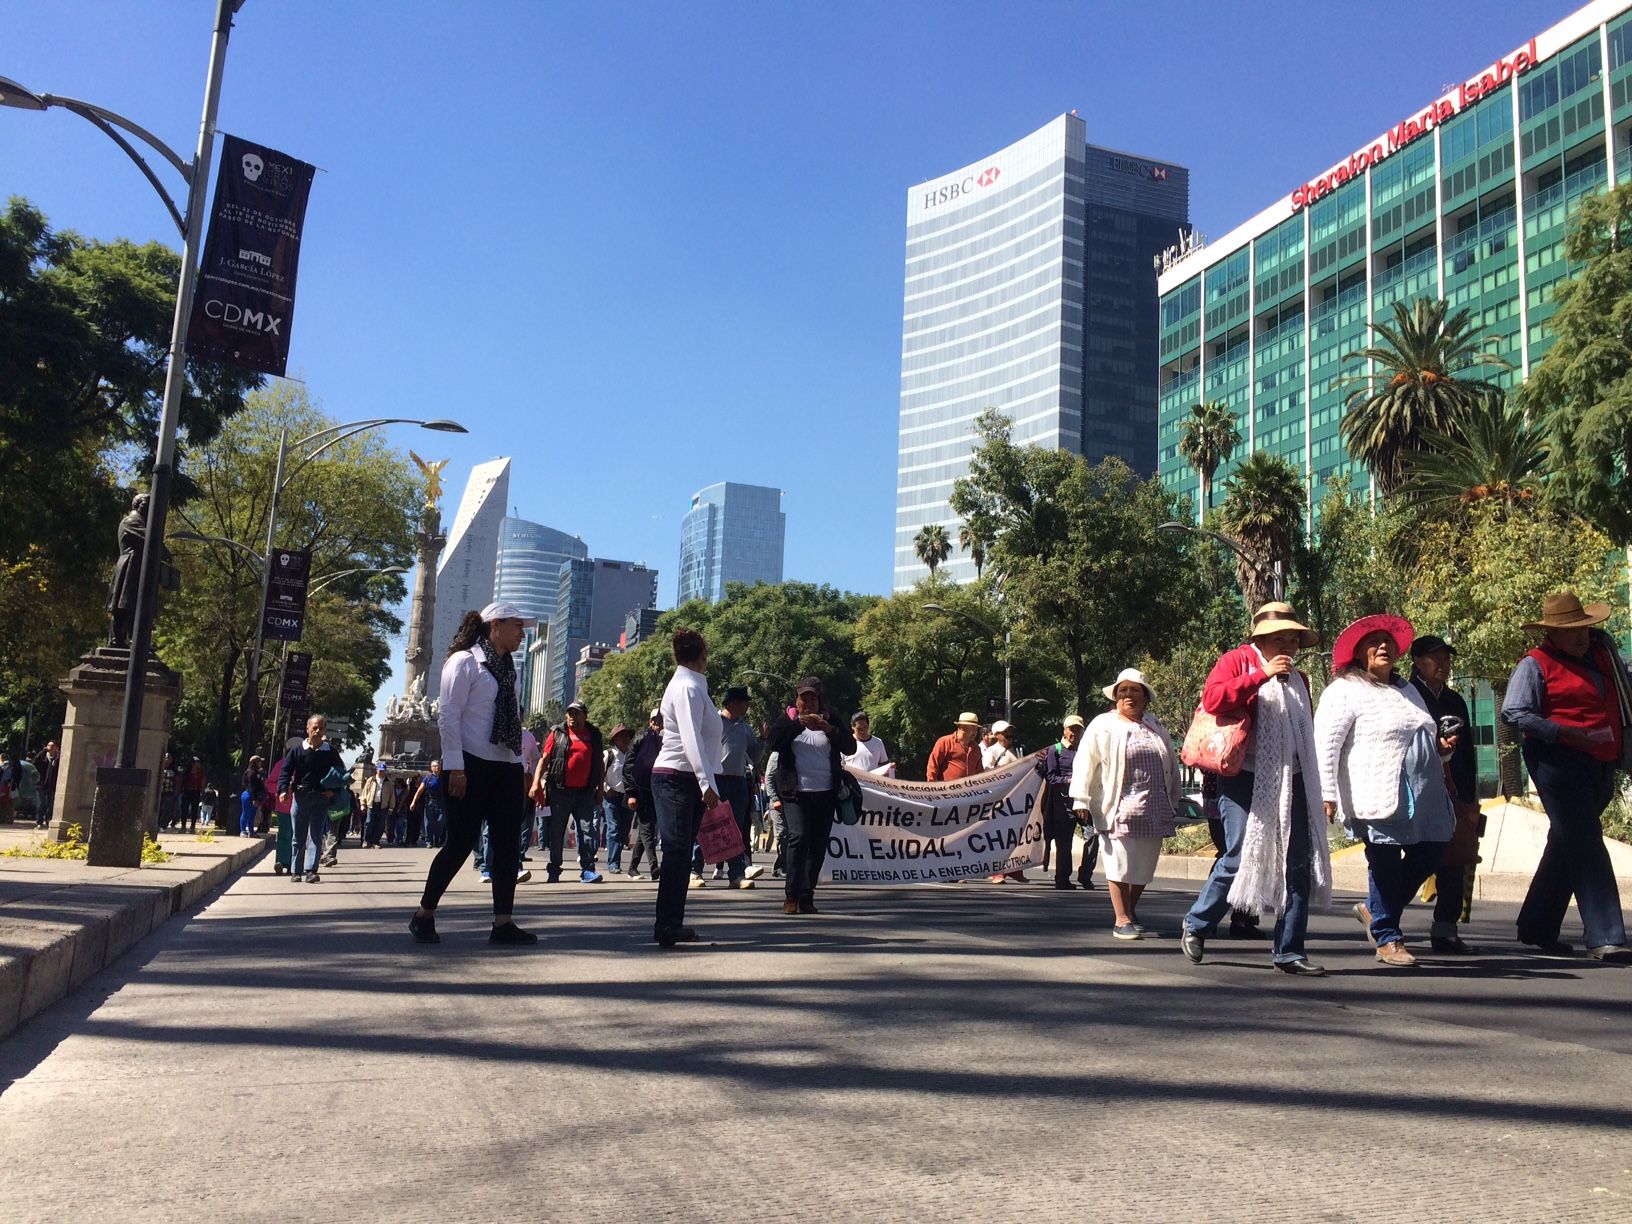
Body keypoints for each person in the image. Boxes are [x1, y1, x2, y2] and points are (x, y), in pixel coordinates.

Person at [1179, 602, 1332, 976]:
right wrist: (1260, 675)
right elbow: (1213, 700)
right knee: (1239, 854)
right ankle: (1198, 922)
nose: (1288, 646)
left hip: (1292, 778)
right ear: (1260, 639)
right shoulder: (1236, 662)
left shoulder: (1300, 680)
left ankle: (1290, 951)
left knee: (1296, 863)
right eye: (1279, 638)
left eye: (1293, 639)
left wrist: (1321, 789)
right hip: (1243, 776)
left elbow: (1304, 735)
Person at [1316, 615, 1454, 968]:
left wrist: (1441, 748)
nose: (1383, 647)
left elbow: (1418, 735)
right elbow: (1326, 745)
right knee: (1386, 863)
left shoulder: (1407, 690)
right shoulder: (1344, 690)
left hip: (1423, 793)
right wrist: (1326, 793)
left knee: (1433, 852)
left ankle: (1373, 910)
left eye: (1388, 642)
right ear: (1359, 652)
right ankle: (1388, 938)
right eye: (1374, 642)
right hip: (1376, 791)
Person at [1502, 593, 1632, 963]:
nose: (1581, 637)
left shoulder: (1605, 660)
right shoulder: (1534, 665)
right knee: (1587, 844)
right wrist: (1563, 732)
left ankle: (1536, 926)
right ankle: (1605, 936)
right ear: (1552, 635)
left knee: (1566, 843)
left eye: (1584, 629)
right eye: (1571, 632)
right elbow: (1515, 713)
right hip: (1556, 763)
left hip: (1601, 762)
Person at [411, 601, 536, 945]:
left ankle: (503, 922)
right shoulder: (464, 662)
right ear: (495, 626)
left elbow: (513, 719)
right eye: (517, 626)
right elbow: (449, 716)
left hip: (506, 765)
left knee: (508, 846)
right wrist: (455, 767)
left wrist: (520, 768)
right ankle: (424, 914)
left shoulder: (509, 668)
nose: (522, 633)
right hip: (470, 764)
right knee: (460, 844)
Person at [1070, 669, 1181, 938]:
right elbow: (1085, 761)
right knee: (1118, 862)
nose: (1128, 695)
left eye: (1134, 690)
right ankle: (1121, 920)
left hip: (1153, 806)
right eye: (1123, 691)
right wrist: (1081, 798)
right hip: (1118, 805)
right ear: (1116, 697)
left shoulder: (1155, 726)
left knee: (1143, 866)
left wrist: (1174, 798)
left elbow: (1172, 764)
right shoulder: (1103, 725)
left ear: (1145, 696)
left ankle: (1130, 911)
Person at [1407, 635, 1481, 954]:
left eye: (1446, 658)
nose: (1443, 664)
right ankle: (1382, 920)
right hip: (1415, 793)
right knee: (1419, 859)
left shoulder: (1455, 702)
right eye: (1435, 658)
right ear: (1417, 662)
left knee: (1453, 860)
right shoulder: (1406, 697)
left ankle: (1445, 932)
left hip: (1453, 796)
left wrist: (1469, 798)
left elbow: (1467, 755)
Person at [650, 630, 722, 946]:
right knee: (678, 850)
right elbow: (692, 738)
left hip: (686, 777)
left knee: (680, 852)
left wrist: (707, 781)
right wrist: (707, 784)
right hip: (676, 775)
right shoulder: (688, 687)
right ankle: (666, 924)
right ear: (702, 655)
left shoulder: (693, 686)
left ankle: (671, 922)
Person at [767, 676, 857, 916]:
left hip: (825, 793)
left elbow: (850, 747)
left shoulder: (831, 721)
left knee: (818, 845)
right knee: (799, 837)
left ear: (820, 701)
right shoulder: (787, 720)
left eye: (812, 699)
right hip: (795, 793)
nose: (807, 703)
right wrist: (799, 724)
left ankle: (807, 896)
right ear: (796, 700)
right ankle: (791, 896)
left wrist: (828, 729)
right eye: (803, 698)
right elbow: (774, 743)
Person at [534, 700, 607, 883]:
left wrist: (600, 788)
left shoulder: (594, 735)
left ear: (585, 715)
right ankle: (554, 870)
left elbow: (599, 764)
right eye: (570, 713)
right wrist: (536, 783)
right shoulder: (558, 733)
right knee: (557, 832)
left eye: (576, 713)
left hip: (585, 793)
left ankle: (588, 869)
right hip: (560, 791)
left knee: (587, 830)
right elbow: (544, 760)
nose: (572, 717)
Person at [277, 715, 346, 884]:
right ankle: (296, 871)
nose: (317, 730)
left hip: (320, 799)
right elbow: (285, 771)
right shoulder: (297, 750)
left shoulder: (330, 752)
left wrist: (333, 791)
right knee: (298, 837)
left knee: (315, 835)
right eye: (314, 727)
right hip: (300, 797)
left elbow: (341, 773)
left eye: (321, 728)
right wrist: (283, 790)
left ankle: (311, 871)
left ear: (325, 731)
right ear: (307, 729)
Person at [713, 686, 765, 889]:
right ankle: (695, 870)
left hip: (738, 781)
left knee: (735, 830)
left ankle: (736, 874)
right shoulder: (714, 723)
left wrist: (763, 739)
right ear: (733, 703)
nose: (747, 706)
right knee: (709, 824)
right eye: (744, 702)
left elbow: (754, 757)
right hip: (715, 779)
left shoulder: (745, 728)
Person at [1041, 714, 1086, 890]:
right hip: (1063, 802)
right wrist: (1070, 780)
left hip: (1084, 800)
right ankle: (1062, 878)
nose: (1075, 732)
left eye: (1078, 729)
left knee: (1093, 835)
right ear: (1065, 731)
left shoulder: (1085, 750)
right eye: (1072, 729)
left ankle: (1085, 875)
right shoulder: (1055, 750)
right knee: (1064, 840)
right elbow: (1051, 777)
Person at [625, 709, 664, 881]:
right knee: (648, 828)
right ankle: (653, 866)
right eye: (655, 720)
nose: (658, 723)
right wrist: (631, 793)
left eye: (661, 720)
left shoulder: (666, 741)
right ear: (649, 722)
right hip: (641, 792)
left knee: (645, 830)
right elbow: (628, 768)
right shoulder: (640, 740)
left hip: (658, 791)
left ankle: (632, 867)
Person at [603, 725, 633, 872]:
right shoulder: (608, 755)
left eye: (627, 736)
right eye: (622, 736)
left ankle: (617, 859)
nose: (625, 739)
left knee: (623, 830)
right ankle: (613, 863)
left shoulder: (632, 755)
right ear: (615, 739)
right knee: (613, 828)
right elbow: (599, 776)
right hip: (611, 797)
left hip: (627, 797)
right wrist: (606, 790)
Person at [926, 713, 984, 781]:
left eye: (976, 728)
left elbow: (980, 772)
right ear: (961, 727)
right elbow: (933, 766)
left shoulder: (976, 748)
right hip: (948, 790)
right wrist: (932, 787)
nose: (975, 732)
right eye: (972, 727)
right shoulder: (945, 742)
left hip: (970, 790)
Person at [842, 711, 893, 777]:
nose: (863, 731)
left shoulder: (877, 742)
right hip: (853, 785)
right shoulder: (846, 742)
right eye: (859, 729)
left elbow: (884, 766)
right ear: (853, 727)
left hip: (873, 785)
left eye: (865, 727)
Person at [361, 765, 391, 848]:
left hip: (383, 806)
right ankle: (366, 841)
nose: (381, 772)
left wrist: (391, 807)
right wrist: (363, 804)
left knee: (380, 825)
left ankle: (375, 842)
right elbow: (365, 792)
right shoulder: (371, 780)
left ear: (385, 771)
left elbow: (392, 796)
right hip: (371, 805)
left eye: (383, 771)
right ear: (377, 771)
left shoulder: (388, 782)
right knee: (369, 823)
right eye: (379, 770)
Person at [32, 740, 59, 828]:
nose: (49, 747)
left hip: (52, 785)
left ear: (56, 748)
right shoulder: (43, 757)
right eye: (48, 745)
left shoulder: (58, 759)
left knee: (50, 805)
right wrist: (42, 751)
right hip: (42, 784)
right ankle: (39, 822)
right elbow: (35, 762)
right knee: (40, 804)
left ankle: (48, 819)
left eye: (52, 746)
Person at [240, 756, 268, 838]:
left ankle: (251, 831)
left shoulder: (257, 772)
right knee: (246, 813)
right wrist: (254, 798)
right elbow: (251, 786)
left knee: (252, 814)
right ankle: (243, 830)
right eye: (259, 761)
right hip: (249, 795)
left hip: (255, 795)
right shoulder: (251, 772)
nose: (261, 763)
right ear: (255, 763)